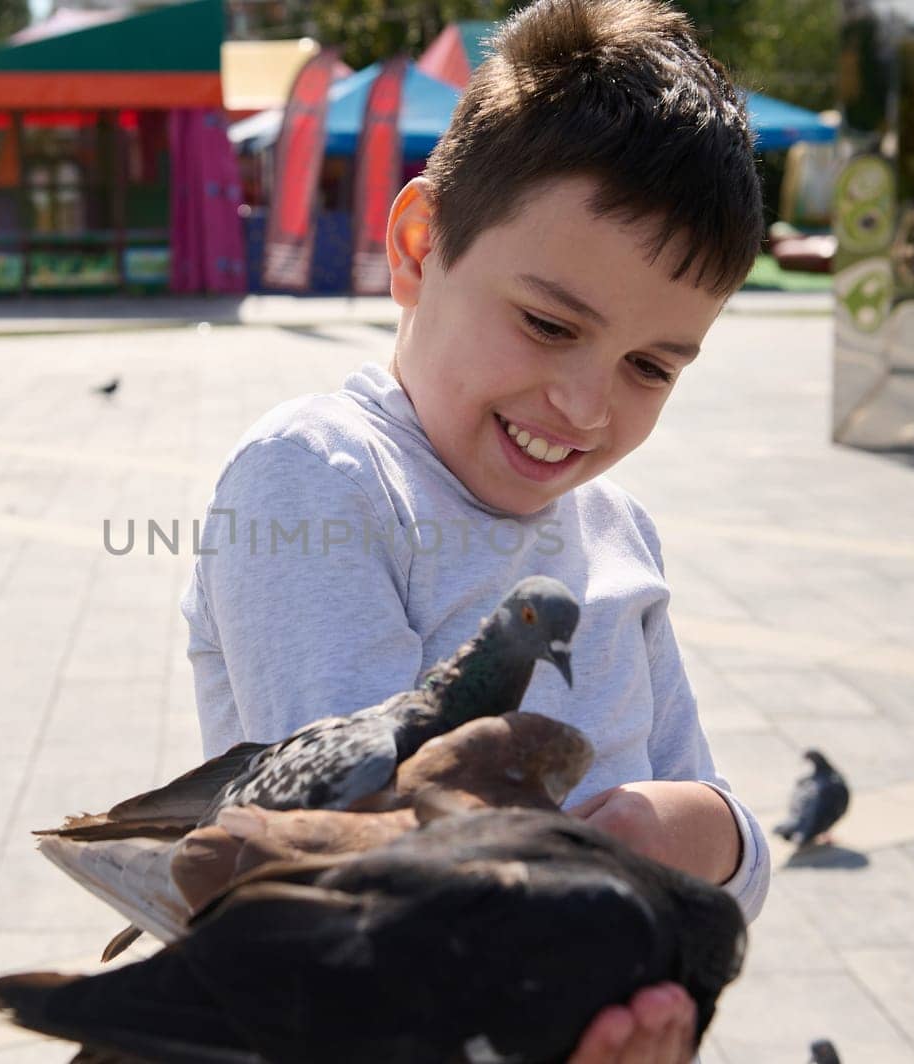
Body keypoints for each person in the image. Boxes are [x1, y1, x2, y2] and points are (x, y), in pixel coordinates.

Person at [179, 0, 768, 1059]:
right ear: (416, 246)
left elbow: (733, 847)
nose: (586, 408)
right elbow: (369, 868)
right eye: (548, 323)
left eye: (651, 366)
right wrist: (628, 890)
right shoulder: (320, 479)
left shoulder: (617, 529)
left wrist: (668, 834)